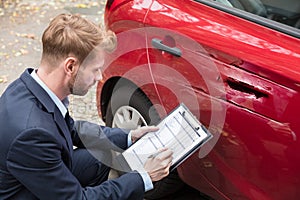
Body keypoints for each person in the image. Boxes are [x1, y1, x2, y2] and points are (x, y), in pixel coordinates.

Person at [0, 13, 173, 199]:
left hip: (37, 172)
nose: (100, 77)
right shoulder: (31, 134)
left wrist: (130, 137)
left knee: (102, 155)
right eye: (95, 69)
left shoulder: (31, 86)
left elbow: (72, 129)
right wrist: (143, 177)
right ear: (71, 67)